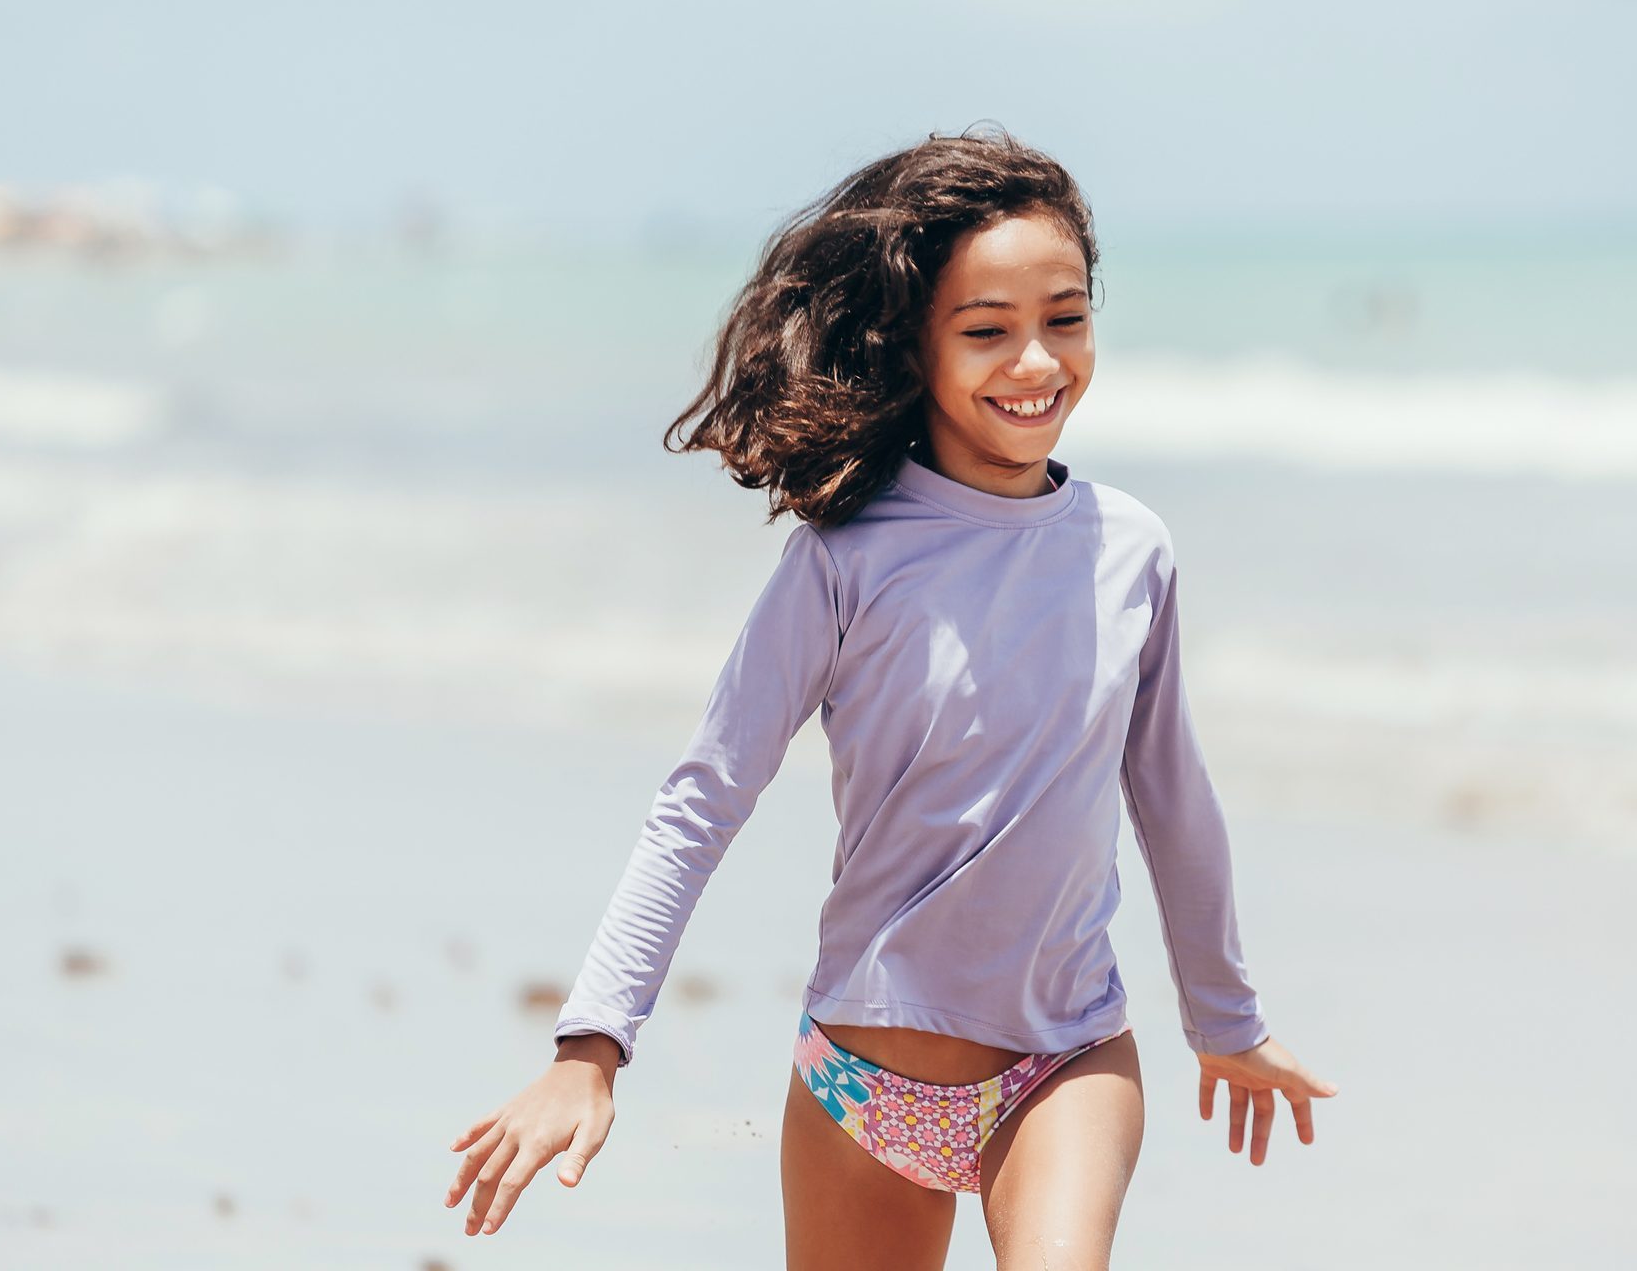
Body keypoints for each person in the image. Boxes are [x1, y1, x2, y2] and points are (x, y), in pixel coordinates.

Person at [444, 123, 1340, 1269]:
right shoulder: (845, 558)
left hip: (1068, 1059)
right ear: (915, 348)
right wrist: (591, 1045)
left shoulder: (1133, 550)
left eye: (1065, 319)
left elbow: (1173, 800)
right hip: (865, 1085)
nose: (1037, 362)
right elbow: (704, 798)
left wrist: (1226, 1023)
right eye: (987, 331)